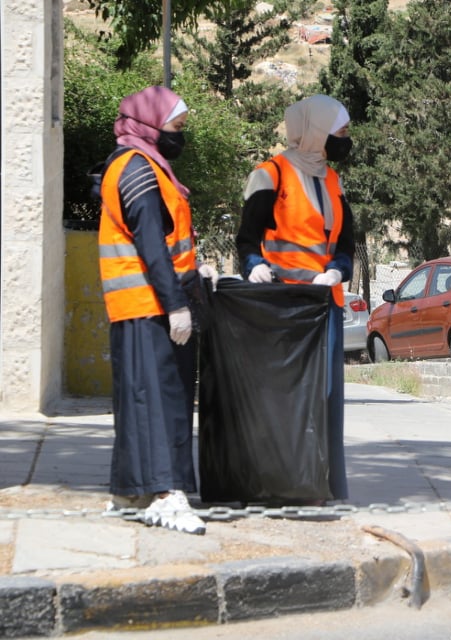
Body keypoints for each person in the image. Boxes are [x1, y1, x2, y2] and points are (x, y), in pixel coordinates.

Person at [94, 85, 218, 535]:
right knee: (162, 401)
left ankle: (130, 493)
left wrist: (195, 270)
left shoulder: (143, 166)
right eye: (176, 127)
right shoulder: (139, 171)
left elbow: (167, 241)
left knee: (138, 398)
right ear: (149, 124)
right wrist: (176, 307)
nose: (180, 137)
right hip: (150, 305)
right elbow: (149, 246)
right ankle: (166, 495)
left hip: (141, 305)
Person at [235, 94, 356, 500]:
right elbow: (248, 237)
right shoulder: (270, 175)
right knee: (284, 397)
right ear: (317, 132)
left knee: (325, 400)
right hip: (283, 306)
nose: (345, 139)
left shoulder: (333, 181)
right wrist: (253, 264)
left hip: (325, 305)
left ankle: (322, 486)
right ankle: (279, 484)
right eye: (340, 131)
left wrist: (338, 269)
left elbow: (346, 243)